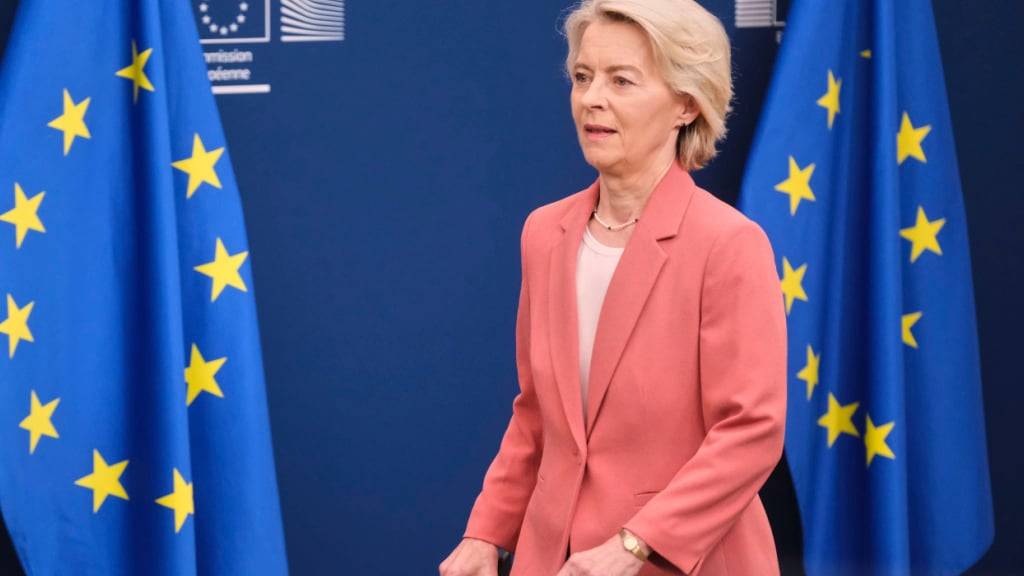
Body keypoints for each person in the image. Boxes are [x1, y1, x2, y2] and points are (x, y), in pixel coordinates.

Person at [440, 1, 786, 574]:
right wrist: (486, 534)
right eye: (583, 77)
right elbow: (538, 416)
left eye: (621, 80)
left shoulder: (728, 244)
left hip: (683, 560)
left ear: (685, 104)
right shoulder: (544, 233)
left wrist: (633, 544)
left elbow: (750, 432)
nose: (591, 99)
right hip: (553, 558)